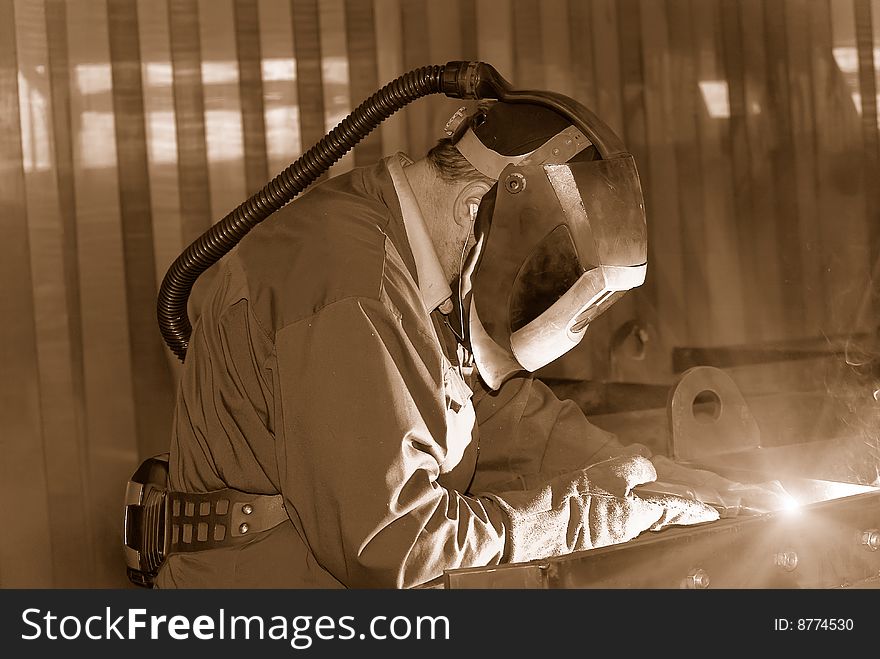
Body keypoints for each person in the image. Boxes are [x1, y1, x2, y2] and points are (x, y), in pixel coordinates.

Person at [154, 100, 784, 589]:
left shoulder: (412, 260)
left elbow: (500, 417)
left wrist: (670, 485)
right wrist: (601, 514)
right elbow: (401, 550)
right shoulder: (352, 280)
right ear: (474, 211)